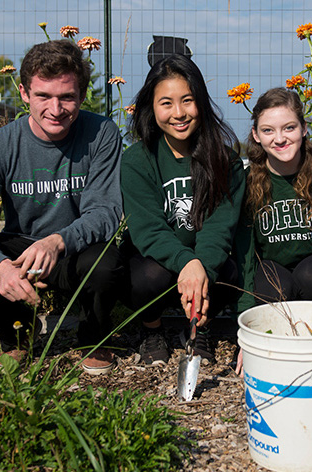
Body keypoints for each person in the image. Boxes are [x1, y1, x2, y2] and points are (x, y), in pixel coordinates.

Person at [0, 40, 124, 375]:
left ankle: (92, 337)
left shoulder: (102, 134)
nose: (55, 109)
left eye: (67, 97)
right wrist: (0, 267)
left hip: (73, 246)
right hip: (20, 247)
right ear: (25, 93)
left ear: (81, 96)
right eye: (43, 96)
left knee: (106, 264)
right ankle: (18, 332)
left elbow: (105, 213)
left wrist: (57, 241)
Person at [121, 54, 245, 365]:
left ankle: (199, 325)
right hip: (159, 261)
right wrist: (186, 262)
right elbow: (147, 229)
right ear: (152, 107)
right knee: (145, 277)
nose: (179, 113)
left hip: (204, 259)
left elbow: (220, 226)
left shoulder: (224, 160)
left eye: (187, 101)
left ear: (201, 102)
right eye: (167, 103)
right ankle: (152, 328)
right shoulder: (139, 159)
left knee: (230, 274)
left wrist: (199, 267)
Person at [236, 87, 312, 311]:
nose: (280, 138)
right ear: (256, 135)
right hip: (273, 271)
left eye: (289, 128)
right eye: (268, 130)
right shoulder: (247, 183)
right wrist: (244, 323)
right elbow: (246, 258)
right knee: (273, 287)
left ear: (303, 128)